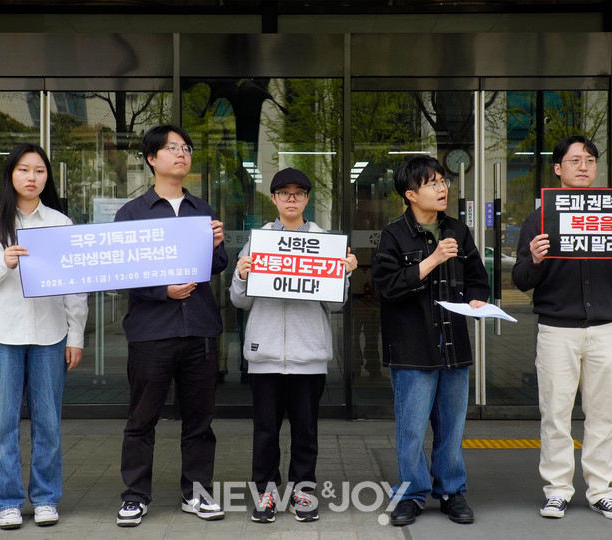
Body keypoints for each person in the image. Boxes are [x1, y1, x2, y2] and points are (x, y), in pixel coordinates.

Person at [511, 135, 612, 520]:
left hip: (606, 329)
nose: (584, 166)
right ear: (558, 168)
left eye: (590, 160)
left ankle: (601, 491)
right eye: (575, 160)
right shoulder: (537, 220)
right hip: (557, 330)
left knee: (603, 414)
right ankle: (557, 490)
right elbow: (522, 279)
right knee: (555, 414)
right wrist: (536, 259)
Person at [0, 143, 88, 530]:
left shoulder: (60, 224)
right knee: (3, 422)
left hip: (51, 335)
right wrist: (4, 262)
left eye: (39, 171)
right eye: (24, 170)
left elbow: (75, 286)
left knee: (48, 421)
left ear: (47, 178)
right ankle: (7, 501)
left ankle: (47, 498)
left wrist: (76, 336)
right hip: (1, 334)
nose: (32, 178)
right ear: (10, 175)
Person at [229, 168, 358, 524]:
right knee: (265, 432)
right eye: (283, 193)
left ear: (307, 199)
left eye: (297, 193)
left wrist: (344, 274)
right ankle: (267, 494)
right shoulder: (259, 242)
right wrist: (241, 276)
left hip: (308, 355)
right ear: (273, 199)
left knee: (305, 431)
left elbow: (334, 305)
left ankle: (303, 492)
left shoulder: (324, 242)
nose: (290, 199)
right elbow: (240, 302)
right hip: (265, 354)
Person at [114, 125, 228, 527]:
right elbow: (122, 273)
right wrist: (164, 291)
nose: (182, 154)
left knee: (200, 420)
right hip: (151, 331)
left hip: (199, 329)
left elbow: (216, 268)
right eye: (172, 148)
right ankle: (134, 495)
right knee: (142, 419)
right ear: (151, 158)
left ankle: (196, 493)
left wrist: (217, 246)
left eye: (186, 148)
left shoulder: (203, 210)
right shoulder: (131, 214)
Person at [372, 155, 490, 527]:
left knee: (452, 426)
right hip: (412, 347)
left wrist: (476, 298)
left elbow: (478, 277)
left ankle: (451, 491)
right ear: (410, 194)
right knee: (411, 429)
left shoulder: (458, 229)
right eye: (432, 183)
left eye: (443, 181)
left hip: (453, 342)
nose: (442, 188)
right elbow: (386, 287)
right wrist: (432, 259)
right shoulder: (394, 234)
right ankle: (411, 494)